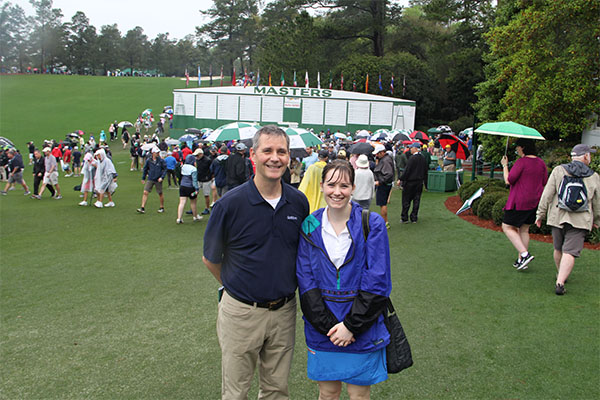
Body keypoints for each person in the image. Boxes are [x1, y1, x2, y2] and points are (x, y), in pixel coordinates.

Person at [202, 125, 309, 399]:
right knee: (236, 392)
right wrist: (237, 288)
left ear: (289, 157)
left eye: (281, 151)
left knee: (276, 390)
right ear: (253, 154)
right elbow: (210, 259)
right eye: (268, 151)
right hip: (241, 312)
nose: (275, 158)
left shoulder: (298, 202)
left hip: (284, 312)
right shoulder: (230, 204)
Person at [296, 159, 392, 400]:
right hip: (322, 328)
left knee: (359, 394)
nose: (337, 192)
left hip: (363, 325)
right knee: (327, 393)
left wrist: (351, 326)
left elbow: (378, 280)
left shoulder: (372, 222)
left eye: (344, 186)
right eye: (331, 185)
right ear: (321, 186)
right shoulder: (310, 224)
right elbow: (305, 279)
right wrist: (330, 327)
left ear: (353, 188)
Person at [535, 144, 599, 295]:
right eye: (589, 154)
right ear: (585, 156)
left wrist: (540, 214)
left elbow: (547, 194)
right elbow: (597, 202)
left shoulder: (559, 170)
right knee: (569, 251)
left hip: (558, 216)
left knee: (558, 248)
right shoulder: (594, 176)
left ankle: (560, 274)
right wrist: (597, 220)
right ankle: (560, 282)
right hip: (580, 220)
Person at [500, 139, 548, 270]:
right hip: (534, 201)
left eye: (518, 147)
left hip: (520, 201)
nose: (517, 149)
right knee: (524, 229)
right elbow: (544, 181)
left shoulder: (521, 162)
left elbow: (509, 180)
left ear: (524, 148)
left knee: (507, 227)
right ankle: (522, 260)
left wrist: (505, 165)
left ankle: (525, 255)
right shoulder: (541, 163)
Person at [399, 142, 429, 223]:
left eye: (411, 148)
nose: (410, 149)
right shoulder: (422, 158)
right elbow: (425, 171)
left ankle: (404, 217)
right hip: (419, 182)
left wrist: (401, 179)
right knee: (416, 200)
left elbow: (407, 170)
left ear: (415, 148)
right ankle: (414, 217)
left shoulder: (412, 158)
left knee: (406, 200)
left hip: (410, 182)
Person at [137, 147, 167, 214]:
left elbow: (165, 169)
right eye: (156, 153)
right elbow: (145, 169)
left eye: (158, 153)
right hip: (150, 178)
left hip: (158, 179)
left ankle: (162, 207)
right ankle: (142, 207)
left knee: (160, 193)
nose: (158, 154)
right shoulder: (149, 160)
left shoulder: (161, 160)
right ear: (153, 153)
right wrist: (143, 178)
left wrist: (162, 177)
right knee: (145, 192)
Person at [372, 144, 395, 229]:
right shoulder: (386, 159)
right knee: (383, 204)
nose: (376, 155)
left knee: (383, 204)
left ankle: (385, 222)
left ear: (382, 152)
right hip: (384, 184)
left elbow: (389, 174)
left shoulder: (385, 161)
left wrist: (380, 181)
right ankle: (385, 222)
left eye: (378, 153)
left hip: (383, 185)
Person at [176, 154, 203, 223]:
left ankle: (179, 218)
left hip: (182, 186)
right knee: (193, 203)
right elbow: (194, 180)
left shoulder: (183, 166)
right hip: (190, 187)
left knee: (182, 202)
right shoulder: (193, 169)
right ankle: (195, 216)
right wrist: (196, 189)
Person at [194, 147, 213, 215]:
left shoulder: (208, 160)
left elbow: (211, 170)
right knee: (195, 193)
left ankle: (207, 208)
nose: (196, 157)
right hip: (199, 179)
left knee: (206, 194)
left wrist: (211, 177)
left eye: (197, 155)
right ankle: (193, 207)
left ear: (201, 154)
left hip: (206, 179)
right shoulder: (198, 160)